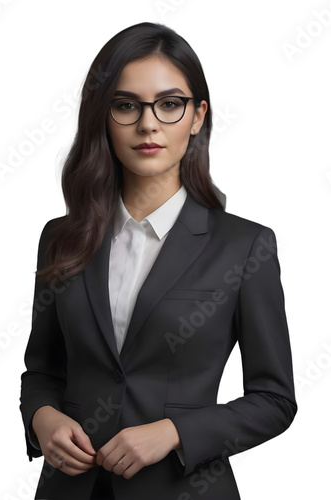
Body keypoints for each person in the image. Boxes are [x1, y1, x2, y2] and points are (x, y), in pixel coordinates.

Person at [19, 22, 297, 500]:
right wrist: (42, 418)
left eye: (170, 104)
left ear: (197, 116)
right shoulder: (61, 238)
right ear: (102, 117)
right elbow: (43, 371)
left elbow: (273, 401)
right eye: (127, 105)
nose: (148, 124)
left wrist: (175, 432)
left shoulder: (245, 247)